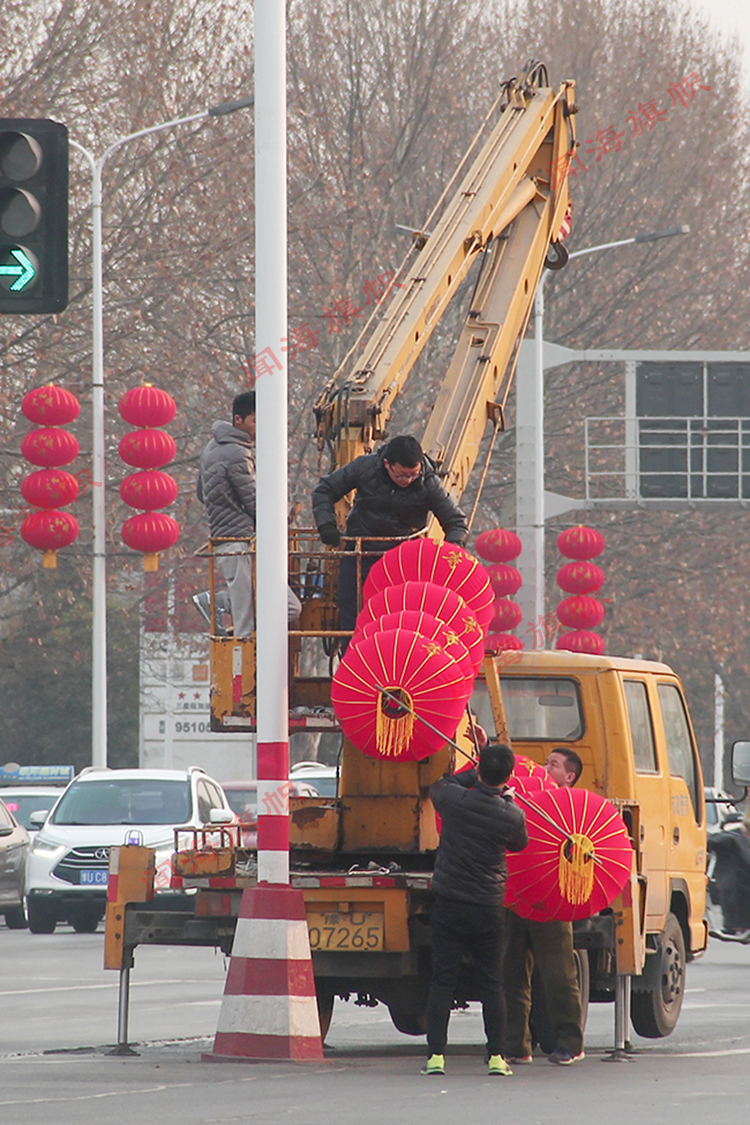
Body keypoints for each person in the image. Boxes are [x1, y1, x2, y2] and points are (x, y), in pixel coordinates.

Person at [423, 742, 528, 1077]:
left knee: (442, 981)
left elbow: (439, 786)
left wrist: (473, 772)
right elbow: (519, 844)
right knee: (491, 983)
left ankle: (436, 1056)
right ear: (509, 775)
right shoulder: (512, 814)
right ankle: (497, 1056)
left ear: (480, 768)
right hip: (487, 907)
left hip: (450, 903)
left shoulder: (456, 800)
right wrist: (504, 796)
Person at [311, 435, 469, 639]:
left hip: (403, 564)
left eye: (413, 475)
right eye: (402, 476)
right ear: (387, 464)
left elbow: (456, 523)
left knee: (400, 624)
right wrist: (326, 525)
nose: (409, 481)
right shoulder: (364, 467)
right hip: (360, 556)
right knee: (352, 622)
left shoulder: (429, 483)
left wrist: (444, 559)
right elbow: (325, 489)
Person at [502, 747, 586, 1066]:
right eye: (545, 762)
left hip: (549, 899)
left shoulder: (572, 810)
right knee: (510, 972)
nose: (545, 767)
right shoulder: (522, 800)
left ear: (569, 777)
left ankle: (570, 1041)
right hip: (515, 895)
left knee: (558, 974)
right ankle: (515, 1044)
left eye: (553, 765)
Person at [196, 391, 301, 635]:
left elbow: (202, 493)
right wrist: (282, 517)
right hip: (241, 541)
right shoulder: (238, 453)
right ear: (238, 420)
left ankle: (217, 601)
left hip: (227, 538)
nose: (260, 428)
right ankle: (218, 603)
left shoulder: (211, 448)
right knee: (247, 622)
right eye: (256, 421)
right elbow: (255, 502)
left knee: (279, 608)